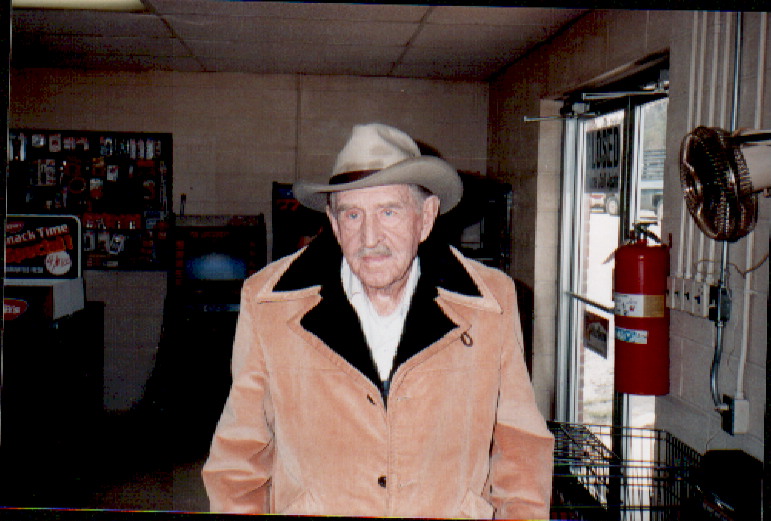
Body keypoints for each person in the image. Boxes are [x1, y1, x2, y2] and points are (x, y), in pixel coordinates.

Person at [201, 123, 554, 519]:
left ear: (425, 218)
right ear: (334, 224)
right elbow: (239, 458)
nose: (370, 238)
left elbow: (521, 451)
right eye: (353, 215)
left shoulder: (491, 304)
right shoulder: (269, 304)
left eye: (389, 211)